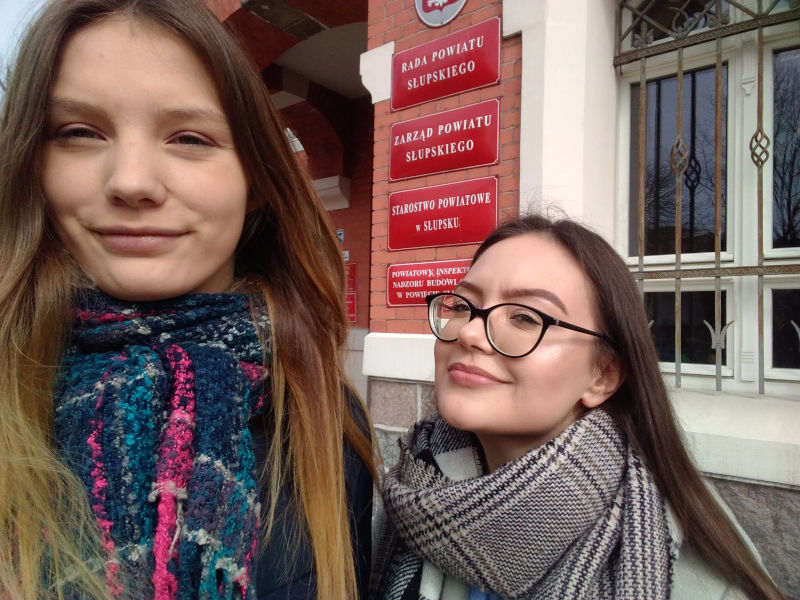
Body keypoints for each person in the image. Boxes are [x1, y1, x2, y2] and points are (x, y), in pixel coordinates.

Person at [0, 0, 375, 598]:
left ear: (256, 180)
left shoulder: (321, 417)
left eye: (190, 138)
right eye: (79, 132)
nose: (131, 182)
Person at [371, 215, 783, 599]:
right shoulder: (414, 490)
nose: (470, 333)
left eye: (525, 318)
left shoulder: (691, 569)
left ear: (603, 375)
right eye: (462, 306)